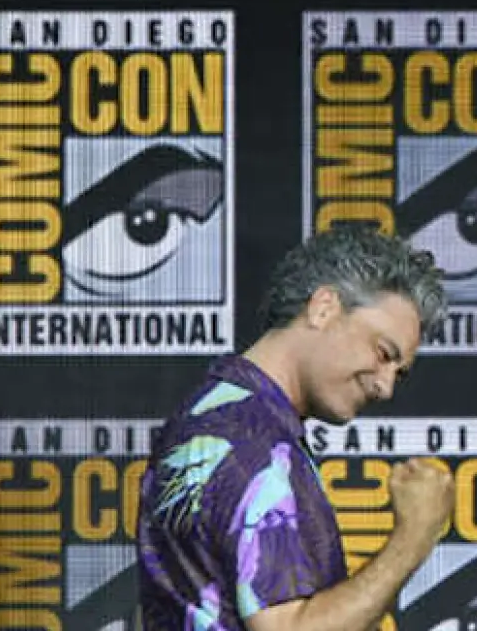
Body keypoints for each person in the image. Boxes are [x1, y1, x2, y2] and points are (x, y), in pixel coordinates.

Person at [136, 226, 456, 631]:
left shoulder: (219, 415)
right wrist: (415, 537)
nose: (385, 386)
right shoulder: (250, 442)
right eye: (382, 353)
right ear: (323, 307)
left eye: (399, 372)